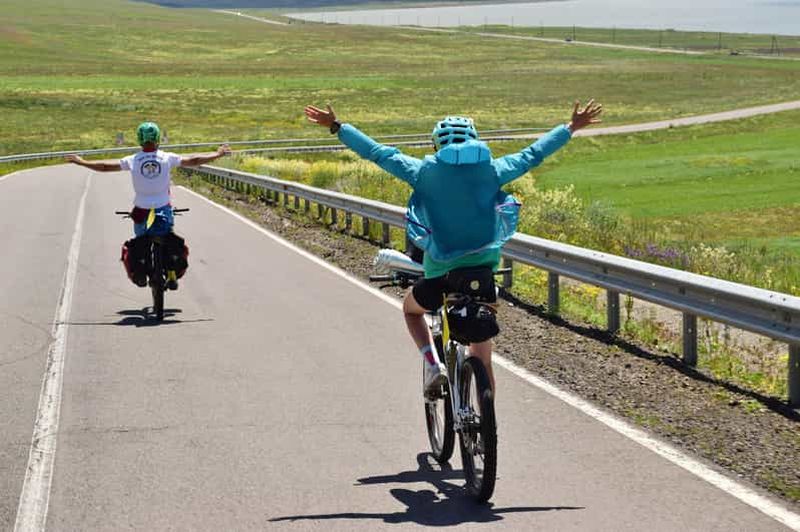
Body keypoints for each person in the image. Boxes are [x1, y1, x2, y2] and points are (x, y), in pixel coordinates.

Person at [305, 101, 602, 395]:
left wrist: (337, 126)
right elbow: (533, 154)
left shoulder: (423, 172)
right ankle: (486, 430)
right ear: (475, 139)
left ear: (437, 145)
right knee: (482, 357)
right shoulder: (494, 170)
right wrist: (571, 127)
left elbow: (378, 153)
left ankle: (434, 365)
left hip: (439, 275)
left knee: (411, 311)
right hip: (482, 275)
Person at [66, 121, 231, 287]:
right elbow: (194, 160)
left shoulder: (133, 160)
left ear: (139, 139)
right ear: (158, 138)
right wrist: (217, 154)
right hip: (163, 210)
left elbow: (104, 166)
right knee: (168, 239)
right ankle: (172, 274)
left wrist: (82, 162)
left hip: (141, 211)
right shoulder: (167, 157)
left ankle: (140, 272)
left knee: (140, 241)